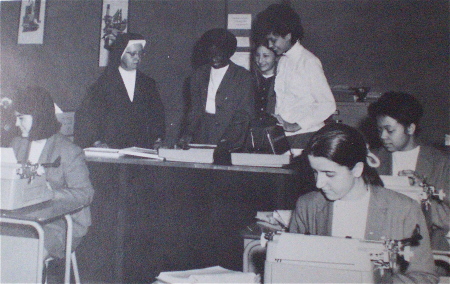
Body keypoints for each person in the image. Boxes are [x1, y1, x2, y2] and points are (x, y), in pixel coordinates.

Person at [289, 123, 438, 283]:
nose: (319, 184)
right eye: (315, 172)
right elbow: (290, 266)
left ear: (357, 169)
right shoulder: (308, 206)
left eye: (329, 174)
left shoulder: (404, 210)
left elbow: (424, 277)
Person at [7, 86, 94, 260]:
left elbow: (86, 194)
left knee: (26, 253)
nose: (16, 124)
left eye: (21, 118)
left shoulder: (68, 150)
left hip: (60, 224)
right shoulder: (16, 145)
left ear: (38, 116)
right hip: (24, 222)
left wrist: (49, 193)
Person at [368, 92, 450, 251]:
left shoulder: (440, 163)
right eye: (379, 130)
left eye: (389, 130)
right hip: (383, 244)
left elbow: (447, 218)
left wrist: (423, 192)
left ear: (410, 128)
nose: (383, 136)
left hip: (429, 247)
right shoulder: (372, 160)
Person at [253, 4, 336, 148]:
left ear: (288, 35)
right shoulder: (283, 61)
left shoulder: (308, 61)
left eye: (273, 40)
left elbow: (328, 105)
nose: (270, 45)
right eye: (268, 40)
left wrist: (297, 125)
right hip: (283, 137)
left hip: (306, 136)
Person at [74, 32, 165, 149]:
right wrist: (97, 142)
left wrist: (158, 139)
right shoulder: (103, 84)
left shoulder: (148, 84)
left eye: (140, 53)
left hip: (142, 148)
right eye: (132, 54)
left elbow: (157, 115)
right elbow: (88, 117)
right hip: (112, 149)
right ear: (120, 54)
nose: (137, 58)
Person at [179, 28, 254, 150]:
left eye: (219, 55)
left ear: (229, 52)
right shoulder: (198, 75)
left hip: (232, 139)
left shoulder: (243, 77)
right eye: (210, 54)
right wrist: (187, 134)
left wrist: (227, 141)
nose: (214, 59)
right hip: (202, 137)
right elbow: (194, 110)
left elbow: (243, 114)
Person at [247, 41, 279, 152]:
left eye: (266, 56)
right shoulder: (249, 80)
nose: (260, 61)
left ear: (276, 57)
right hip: (252, 136)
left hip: (275, 137)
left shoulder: (282, 80)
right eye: (257, 55)